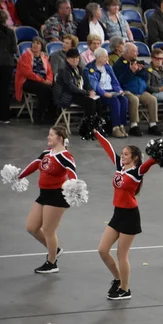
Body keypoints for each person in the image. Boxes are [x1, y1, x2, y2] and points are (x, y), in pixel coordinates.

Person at [93, 130, 161, 300]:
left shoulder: (137, 172)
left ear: (135, 158)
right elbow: (107, 147)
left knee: (121, 255)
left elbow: (151, 162)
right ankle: (118, 278)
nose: (122, 156)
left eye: (126, 154)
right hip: (117, 213)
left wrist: (161, 152)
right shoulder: (120, 167)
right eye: (122, 154)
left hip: (130, 215)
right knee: (102, 250)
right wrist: (96, 132)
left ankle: (125, 289)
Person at [17, 126, 77, 274]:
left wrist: (74, 187)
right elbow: (34, 165)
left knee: (49, 230)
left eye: (51, 135)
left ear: (60, 138)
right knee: (31, 227)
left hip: (57, 196)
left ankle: (52, 263)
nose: (48, 137)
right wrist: (19, 176)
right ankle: (54, 250)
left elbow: (73, 175)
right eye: (48, 135)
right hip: (44, 194)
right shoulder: (46, 153)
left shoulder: (66, 157)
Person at [113, 42, 163, 136]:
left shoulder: (139, 62)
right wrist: (131, 71)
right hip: (126, 90)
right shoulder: (118, 65)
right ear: (127, 52)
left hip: (140, 89)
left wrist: (140, 71)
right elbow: (119, 81)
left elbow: (145, 77)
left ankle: (153, 124)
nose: (137, 54)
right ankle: (134, 125)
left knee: (152, 99)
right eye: (134, 52)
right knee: (134, 100)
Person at [83, 48, 129, 138]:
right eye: (105, 57)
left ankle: (121, 125)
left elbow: (114, 82)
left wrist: (119, 90)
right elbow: (95, 85)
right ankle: (115, 127)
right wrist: (104, 93)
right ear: (98, 57)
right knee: (114, 101)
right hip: (100, 93)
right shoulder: (89, 68)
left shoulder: (108, 67)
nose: (107, 59)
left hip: (111, 90)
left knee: (124, 99)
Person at [15, 36, 54, 125]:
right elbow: (27, 73)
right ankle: (39, 115)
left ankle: (51, 115)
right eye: (34, 43)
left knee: (54, 88)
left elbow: (49, 71)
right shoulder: (25, 56)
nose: (35, 45)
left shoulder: (44, 56)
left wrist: (49, 80)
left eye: (38, 43)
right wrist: (42, 81)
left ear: (42, 46)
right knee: (45, 89)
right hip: (27, 81)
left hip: (43, 81)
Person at [53, 48, 101, 116]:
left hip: (78, 93)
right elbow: (71, 87)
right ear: (67, 59)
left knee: (98, 101)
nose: (75, 60)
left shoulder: (79, 69)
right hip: (67, 95)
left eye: (77, 58)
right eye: (72, 58)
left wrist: (91, 90)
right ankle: (88, 124)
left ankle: (96, 123)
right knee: (90, 102)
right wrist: (87, 93)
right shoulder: (64, 70)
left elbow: (86, 82)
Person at [0, 9, 16, 124]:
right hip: (7, 63)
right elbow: (14, 49)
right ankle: (5, 116)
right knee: (4, 90)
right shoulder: (10, 32)